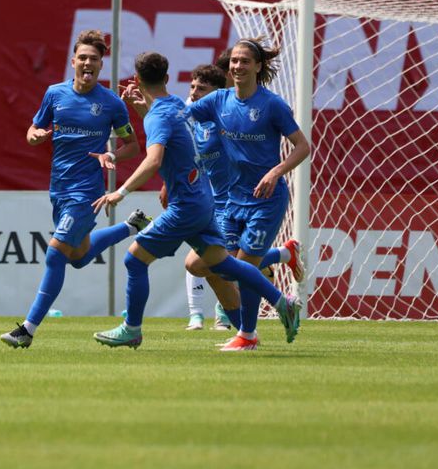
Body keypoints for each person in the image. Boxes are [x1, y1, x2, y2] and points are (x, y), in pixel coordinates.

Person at [90, 51, 301, 350]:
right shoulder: (175, 106)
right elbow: (177, 134)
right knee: (221, 265)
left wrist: (120, 191)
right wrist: (144, 110)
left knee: (134, 259)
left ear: (137, 80)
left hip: (190, 206)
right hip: (204, 201)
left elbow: (153, 160)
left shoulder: (165, 115)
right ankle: (280, 304)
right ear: (167, 79)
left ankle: (132, 328)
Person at [0, 30, 149, 349]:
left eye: (94, 59)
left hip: (86, 192)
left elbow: (133, 146)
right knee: (78, 256)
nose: (88, 63)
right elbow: (32, 130)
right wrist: (35, 135)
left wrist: (111, 154)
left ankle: (27, 329)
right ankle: (130, 226)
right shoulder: (55, 94)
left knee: (55, 254)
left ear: (100, 65)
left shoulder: (110, 103)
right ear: (73, 61)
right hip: (59, 189)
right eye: (82, 57)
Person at [188, 38, 310, 351]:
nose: (238, 66)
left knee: (243, 270)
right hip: (231, 201)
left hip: (265, 201)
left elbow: (302, 146)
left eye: (245, 61)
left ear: (258, 66)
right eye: (234, 61)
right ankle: (284, 261)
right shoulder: (218, 100)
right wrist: (146, 105)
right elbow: (181, 116)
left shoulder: (271, 105)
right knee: (208, 264)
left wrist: (275, 172)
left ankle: (248, 335)